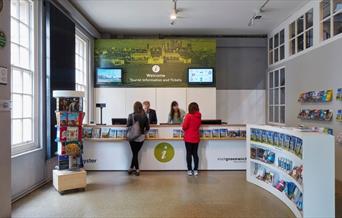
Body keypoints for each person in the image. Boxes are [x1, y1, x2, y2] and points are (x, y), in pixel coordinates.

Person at [127, 101, 150, 176]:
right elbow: (148, 128)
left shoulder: (131, 116)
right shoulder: (145, 116)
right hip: (141, 138)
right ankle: (133, 169)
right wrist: (143, 133)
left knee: (134, 153)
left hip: (132, 138)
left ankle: (135, 169)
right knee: (135, 153)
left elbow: (128, 126)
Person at [182, 102, 201, 176]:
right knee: (195, 154)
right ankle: (196, 170)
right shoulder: (199, 116)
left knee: (189, 154)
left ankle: (189, 170)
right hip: (196, 138)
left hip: (188, 138)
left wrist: (184, 121)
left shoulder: (188, 116)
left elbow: (184, 127)